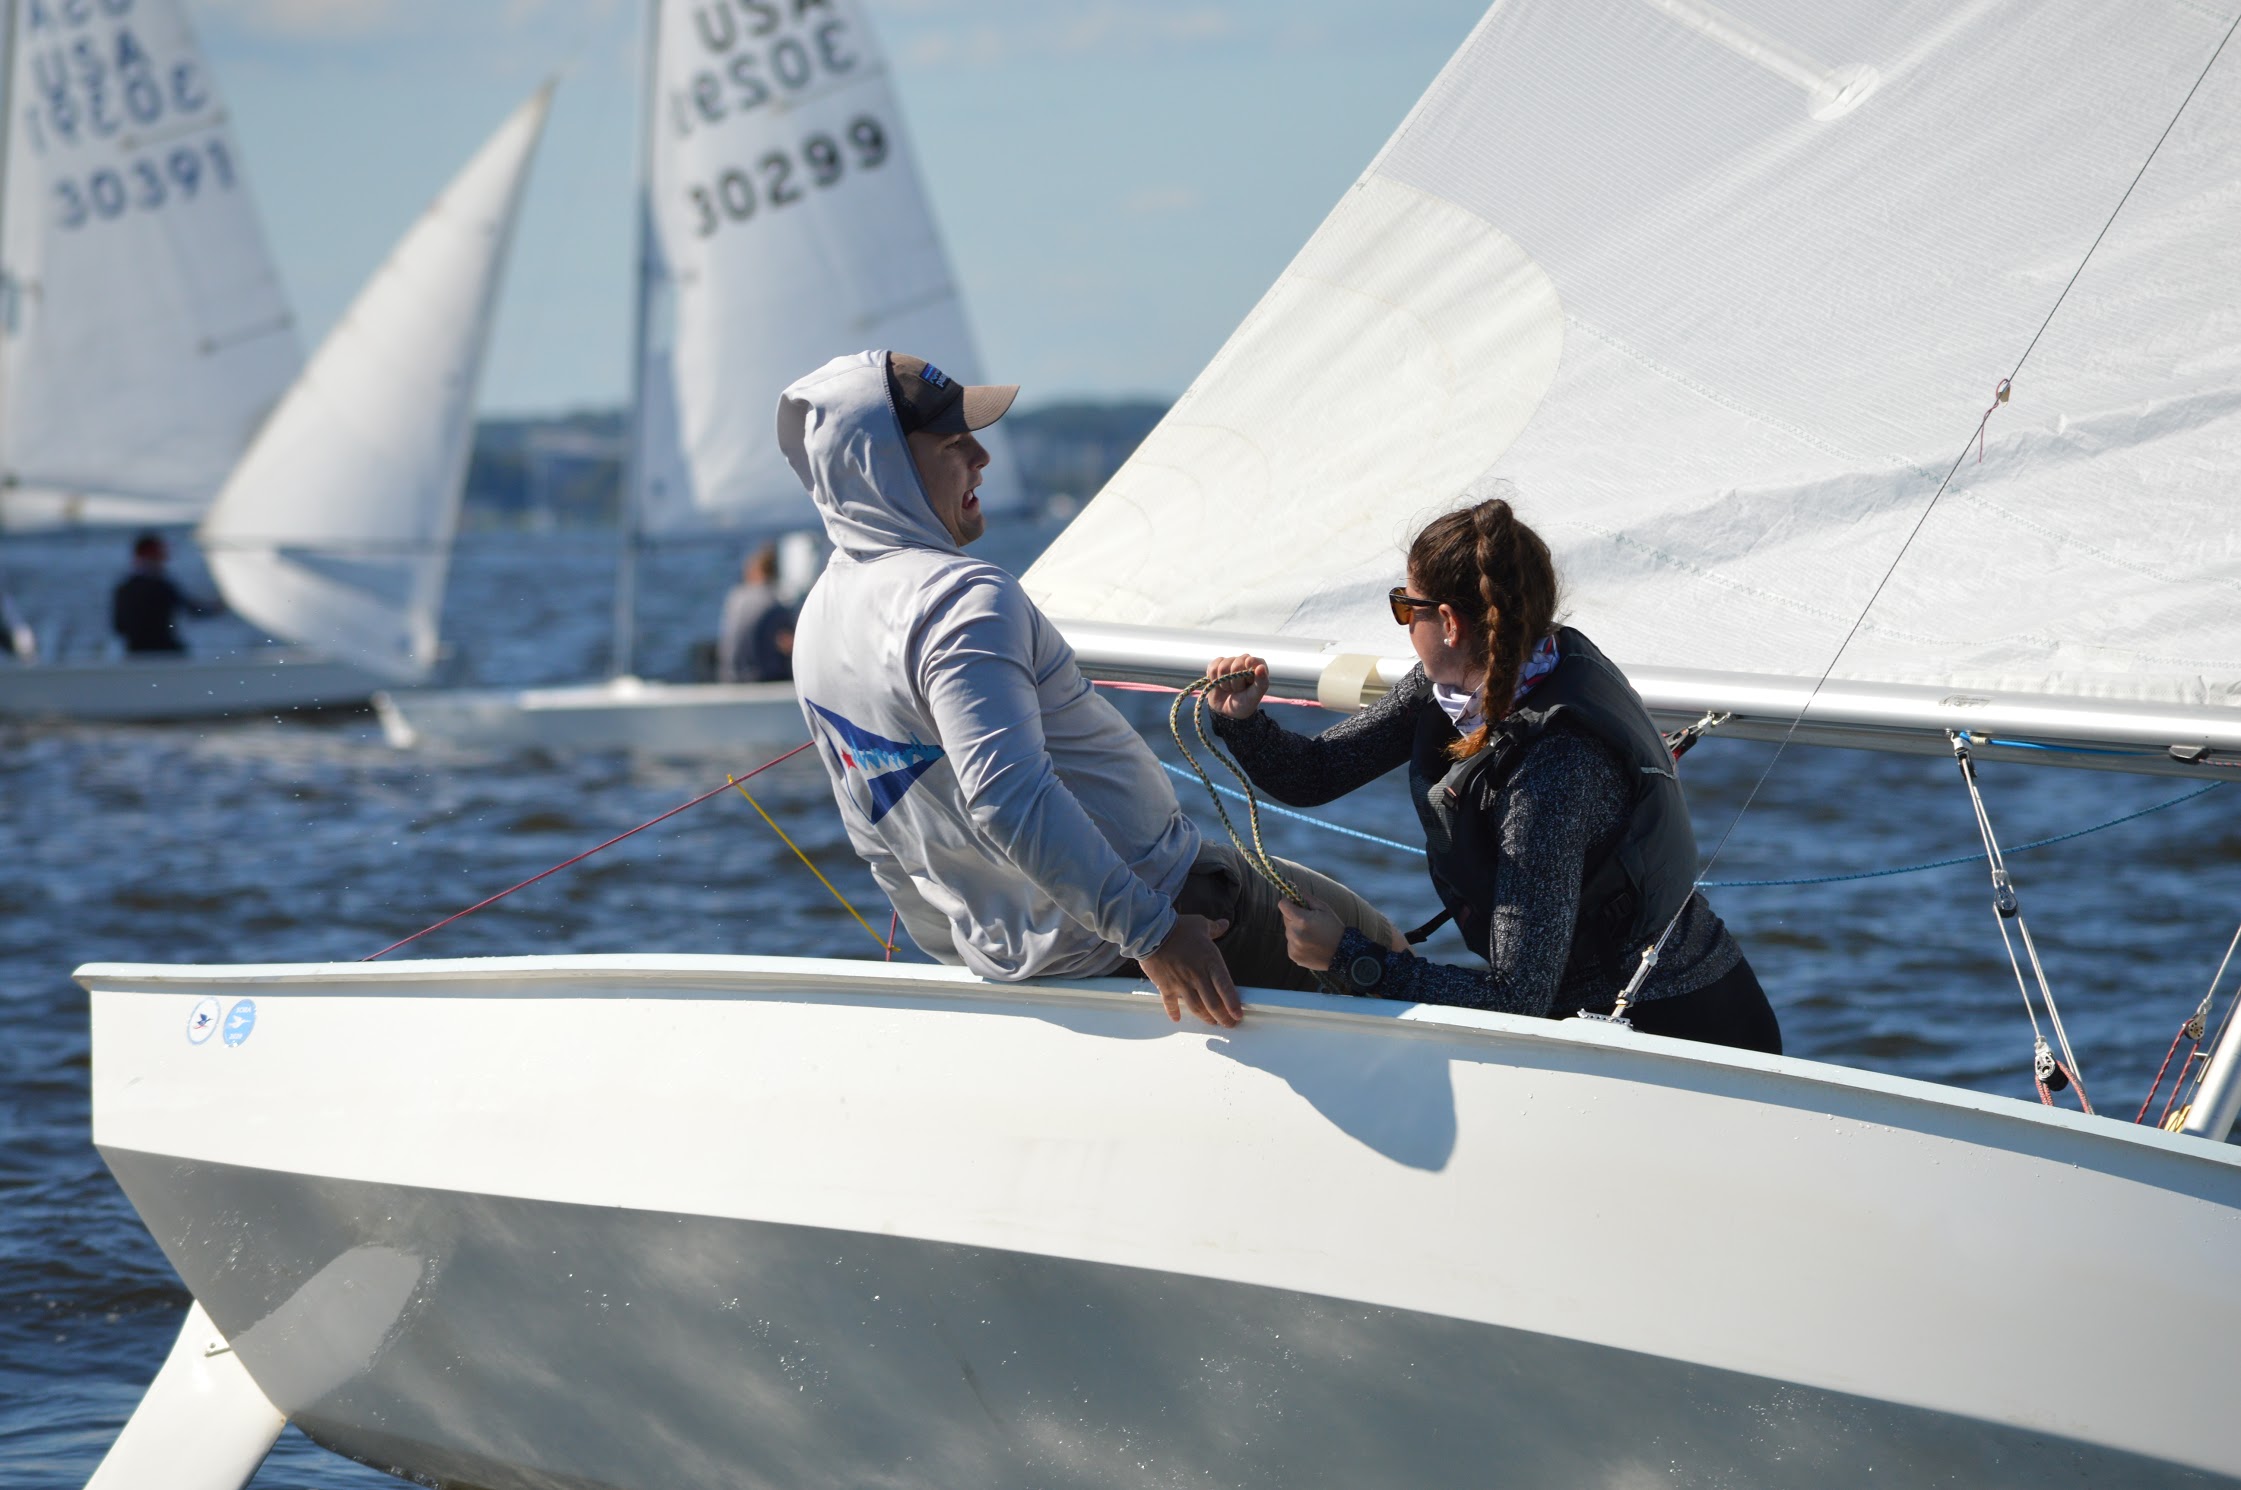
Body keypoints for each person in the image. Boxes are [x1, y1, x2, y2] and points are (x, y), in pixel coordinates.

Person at [779, 350, 1402, 1028]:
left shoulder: (819, 621)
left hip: (1022, 963)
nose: (982, 458)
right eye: (954, 443)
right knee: (1386, 959)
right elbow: (1008, 799)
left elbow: (876, 828)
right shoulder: (959, 600)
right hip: (1166, 921)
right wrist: (1153, 935)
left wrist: (967, 959)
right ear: (883, 466)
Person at [1204, 495, 1781, 1054]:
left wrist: (1349, 957)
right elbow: (1317, 774)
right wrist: (1243, 721)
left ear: (1448, 623)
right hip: (1600, 1030)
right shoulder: (1464, 684)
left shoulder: (1553, 769)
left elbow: (1517, 1000)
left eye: (1406, 607)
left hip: (1683, 1037)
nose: (1404, 623)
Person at [111, 533, 221, 654]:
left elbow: (118, 626)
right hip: (164, 650)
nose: (164, 558)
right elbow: (193, 610)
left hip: (135, 651)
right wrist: (217, 607)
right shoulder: (161, 586)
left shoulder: (124, 588)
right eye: (160, 554)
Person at [716, 542, 795, 682]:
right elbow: (789, 644)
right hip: (762, 678)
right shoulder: (773, 603)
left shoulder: (735, 597)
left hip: (731, 676)